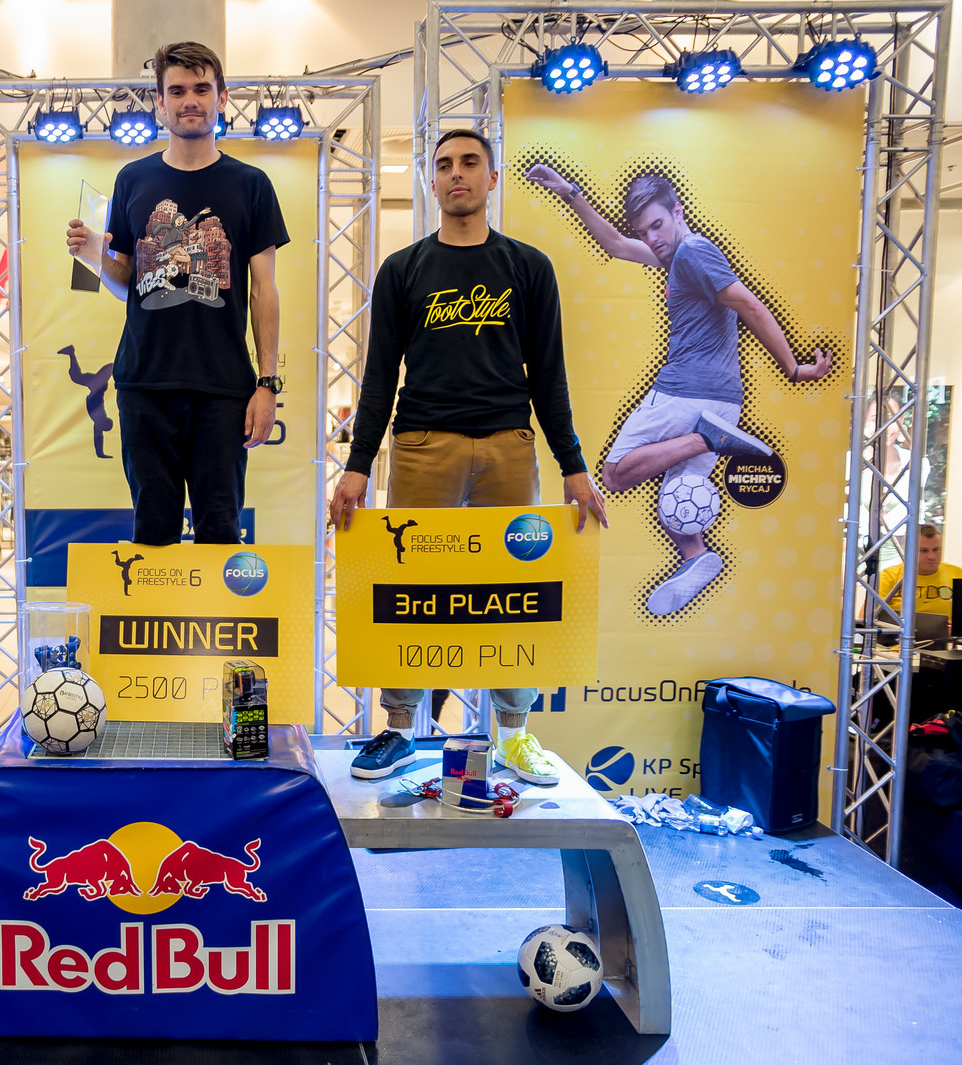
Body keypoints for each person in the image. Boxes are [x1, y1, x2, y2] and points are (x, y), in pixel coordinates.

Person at [329, 128, 609, 785]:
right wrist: (357, 464)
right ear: (432, 181)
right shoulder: (403, 269)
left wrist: (573, 466)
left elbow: (549, 375)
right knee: (409, 591)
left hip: (509, 447)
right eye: (445, 165)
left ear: (492, 177)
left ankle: (513, 735)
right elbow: (379, 377)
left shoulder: (528, 267)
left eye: (470, 163)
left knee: (514, 591)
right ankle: (400, 728)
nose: (457, 173)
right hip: (423, 446)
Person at [522, 165, 830, 616]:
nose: (652, 238)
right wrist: (570, 192)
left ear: (678, 212)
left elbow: (748, 305)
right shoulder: (675, 254)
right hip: (723, 400)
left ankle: (708, 439)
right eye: (644, 231)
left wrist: (794, 368)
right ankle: (696, 556)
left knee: (616, 473)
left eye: (657, 225)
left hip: (685, 392)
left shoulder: (692, 253)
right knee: (677, 499)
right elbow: (615, 244)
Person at [66, 41, 287, 546]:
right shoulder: (132, 179)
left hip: (224, 386)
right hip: (145, 382)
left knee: (221, 531)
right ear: (160, 103)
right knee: (152, 532)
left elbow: (263, 290)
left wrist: (268, 383)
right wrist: (97, 255)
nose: (191, 100)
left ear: (222, 98)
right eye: (178, 90)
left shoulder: (251, 184)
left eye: (202, 89)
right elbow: (126, 284)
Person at [879, 524, 962, 619]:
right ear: (908, 551)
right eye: (923, 550)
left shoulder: (957, 574)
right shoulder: (889, 576)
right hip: (898, 628)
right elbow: (871, 617)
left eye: (936, 550)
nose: (931, 556)